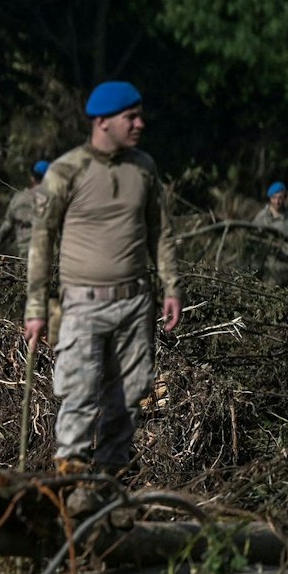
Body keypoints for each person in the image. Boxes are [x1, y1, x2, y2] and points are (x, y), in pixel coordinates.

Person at [25, 81, 181, 508]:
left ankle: (109, 492)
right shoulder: (66, 171)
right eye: (131, 117)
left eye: (139, 115)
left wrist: (171, 287)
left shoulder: (144, 168)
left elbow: (161, 232)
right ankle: (71, 493)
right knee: (79, 396)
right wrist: (36, 307)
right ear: (102, 122)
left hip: (135, 304)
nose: (140, 124)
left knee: (128, 400)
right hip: (82, 305)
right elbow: (41, 241)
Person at [253, 182, 288, 287]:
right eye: (274, 198)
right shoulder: (262, 217)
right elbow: (254, 241)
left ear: (285, 198)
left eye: (280, 198)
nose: (277, 201)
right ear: (270, 198)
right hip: (269, 268)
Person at [1, 161, 50, 256]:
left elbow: (7, 226)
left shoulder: (18, 199)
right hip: (48, 252)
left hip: (25, 253)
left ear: (32, 178)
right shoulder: (54, 198)